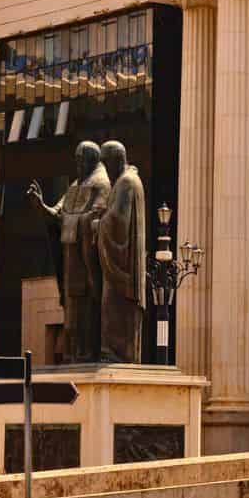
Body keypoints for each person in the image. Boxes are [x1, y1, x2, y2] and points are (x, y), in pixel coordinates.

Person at [27, 141, 110, 362]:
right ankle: (72, 354)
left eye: (81, 159)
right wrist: (41, 206)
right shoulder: (75, 186)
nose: (77, 163)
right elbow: (57, 214)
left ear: (92, 160)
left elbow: (96, 217)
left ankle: (87, 353)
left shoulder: (101, 184)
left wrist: (68, 220)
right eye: (76, 159)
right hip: (70, 260)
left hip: (87, 261)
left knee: (87, 309)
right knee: (71, 309)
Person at [93, 140, 147, 363]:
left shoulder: (126, 182)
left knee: (112, 307)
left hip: (122, 267)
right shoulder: (129, 181)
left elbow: (119, 220)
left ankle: (116, 354)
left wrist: (99, 221)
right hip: (124, 264)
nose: (106, 169)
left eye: (106, 163)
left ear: (116, 160)